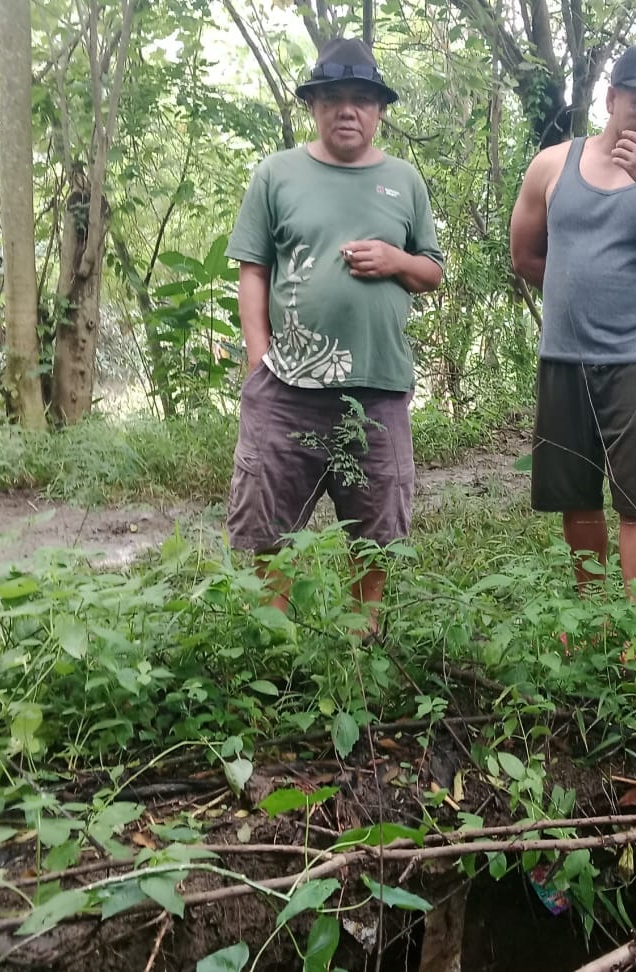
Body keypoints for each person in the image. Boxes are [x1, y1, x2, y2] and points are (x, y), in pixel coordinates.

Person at [225, 37, 444, 630]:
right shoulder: (277, 174)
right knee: (269, 527)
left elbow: (433, 271)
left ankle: (362, 638)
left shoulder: (404, 180)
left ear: (379, 111)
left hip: (377, 385)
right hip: (287, 384)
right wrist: (257, 359)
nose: (348, 110)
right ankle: (275, 641)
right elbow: (253, 270)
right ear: (314, 106)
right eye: (335, 98)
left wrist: (394, 260)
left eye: (362, 100)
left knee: (376, 529)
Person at [509, 44, 636, 613]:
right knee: (576, 497)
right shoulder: (553, 164)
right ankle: (594, 617)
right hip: (563, 359)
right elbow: (525, 255)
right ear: (610, 100)